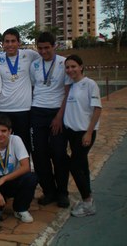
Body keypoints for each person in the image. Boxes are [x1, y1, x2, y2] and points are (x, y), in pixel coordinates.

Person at [30, 32, 72, 208]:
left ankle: (62, 192)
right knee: (39, 155)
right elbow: (34, 87)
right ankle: (49, 191)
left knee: (59, 153)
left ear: (54, 46)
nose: (43, 51)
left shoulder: (64, 63)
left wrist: (59, 117)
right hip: (38, 112)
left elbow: (68, 92)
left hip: (57, 112)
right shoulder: (34, 65)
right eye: (40, 48)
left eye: (47, 47)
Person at [64, 55, 102, 217]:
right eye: (67, 67)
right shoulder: (71, 86)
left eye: (73, 66)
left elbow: (97, 109)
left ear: (81, 67)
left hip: (84, 133)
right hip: (72, 133)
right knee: (83, 166)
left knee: (74, 166)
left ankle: (88, 202)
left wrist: (88, 132)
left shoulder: (89, 84)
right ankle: (88, 197)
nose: (70, 70)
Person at [0, 28, 40, 153]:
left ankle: (24, 170)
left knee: (23, 145)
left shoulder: (29, 55)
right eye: (7, 41)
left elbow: (47, 55)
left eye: (13, 41)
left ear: (19, 43)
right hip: (3, 109)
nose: (10, 44)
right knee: (3, 145)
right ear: (3, 44)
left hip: (23, 110)